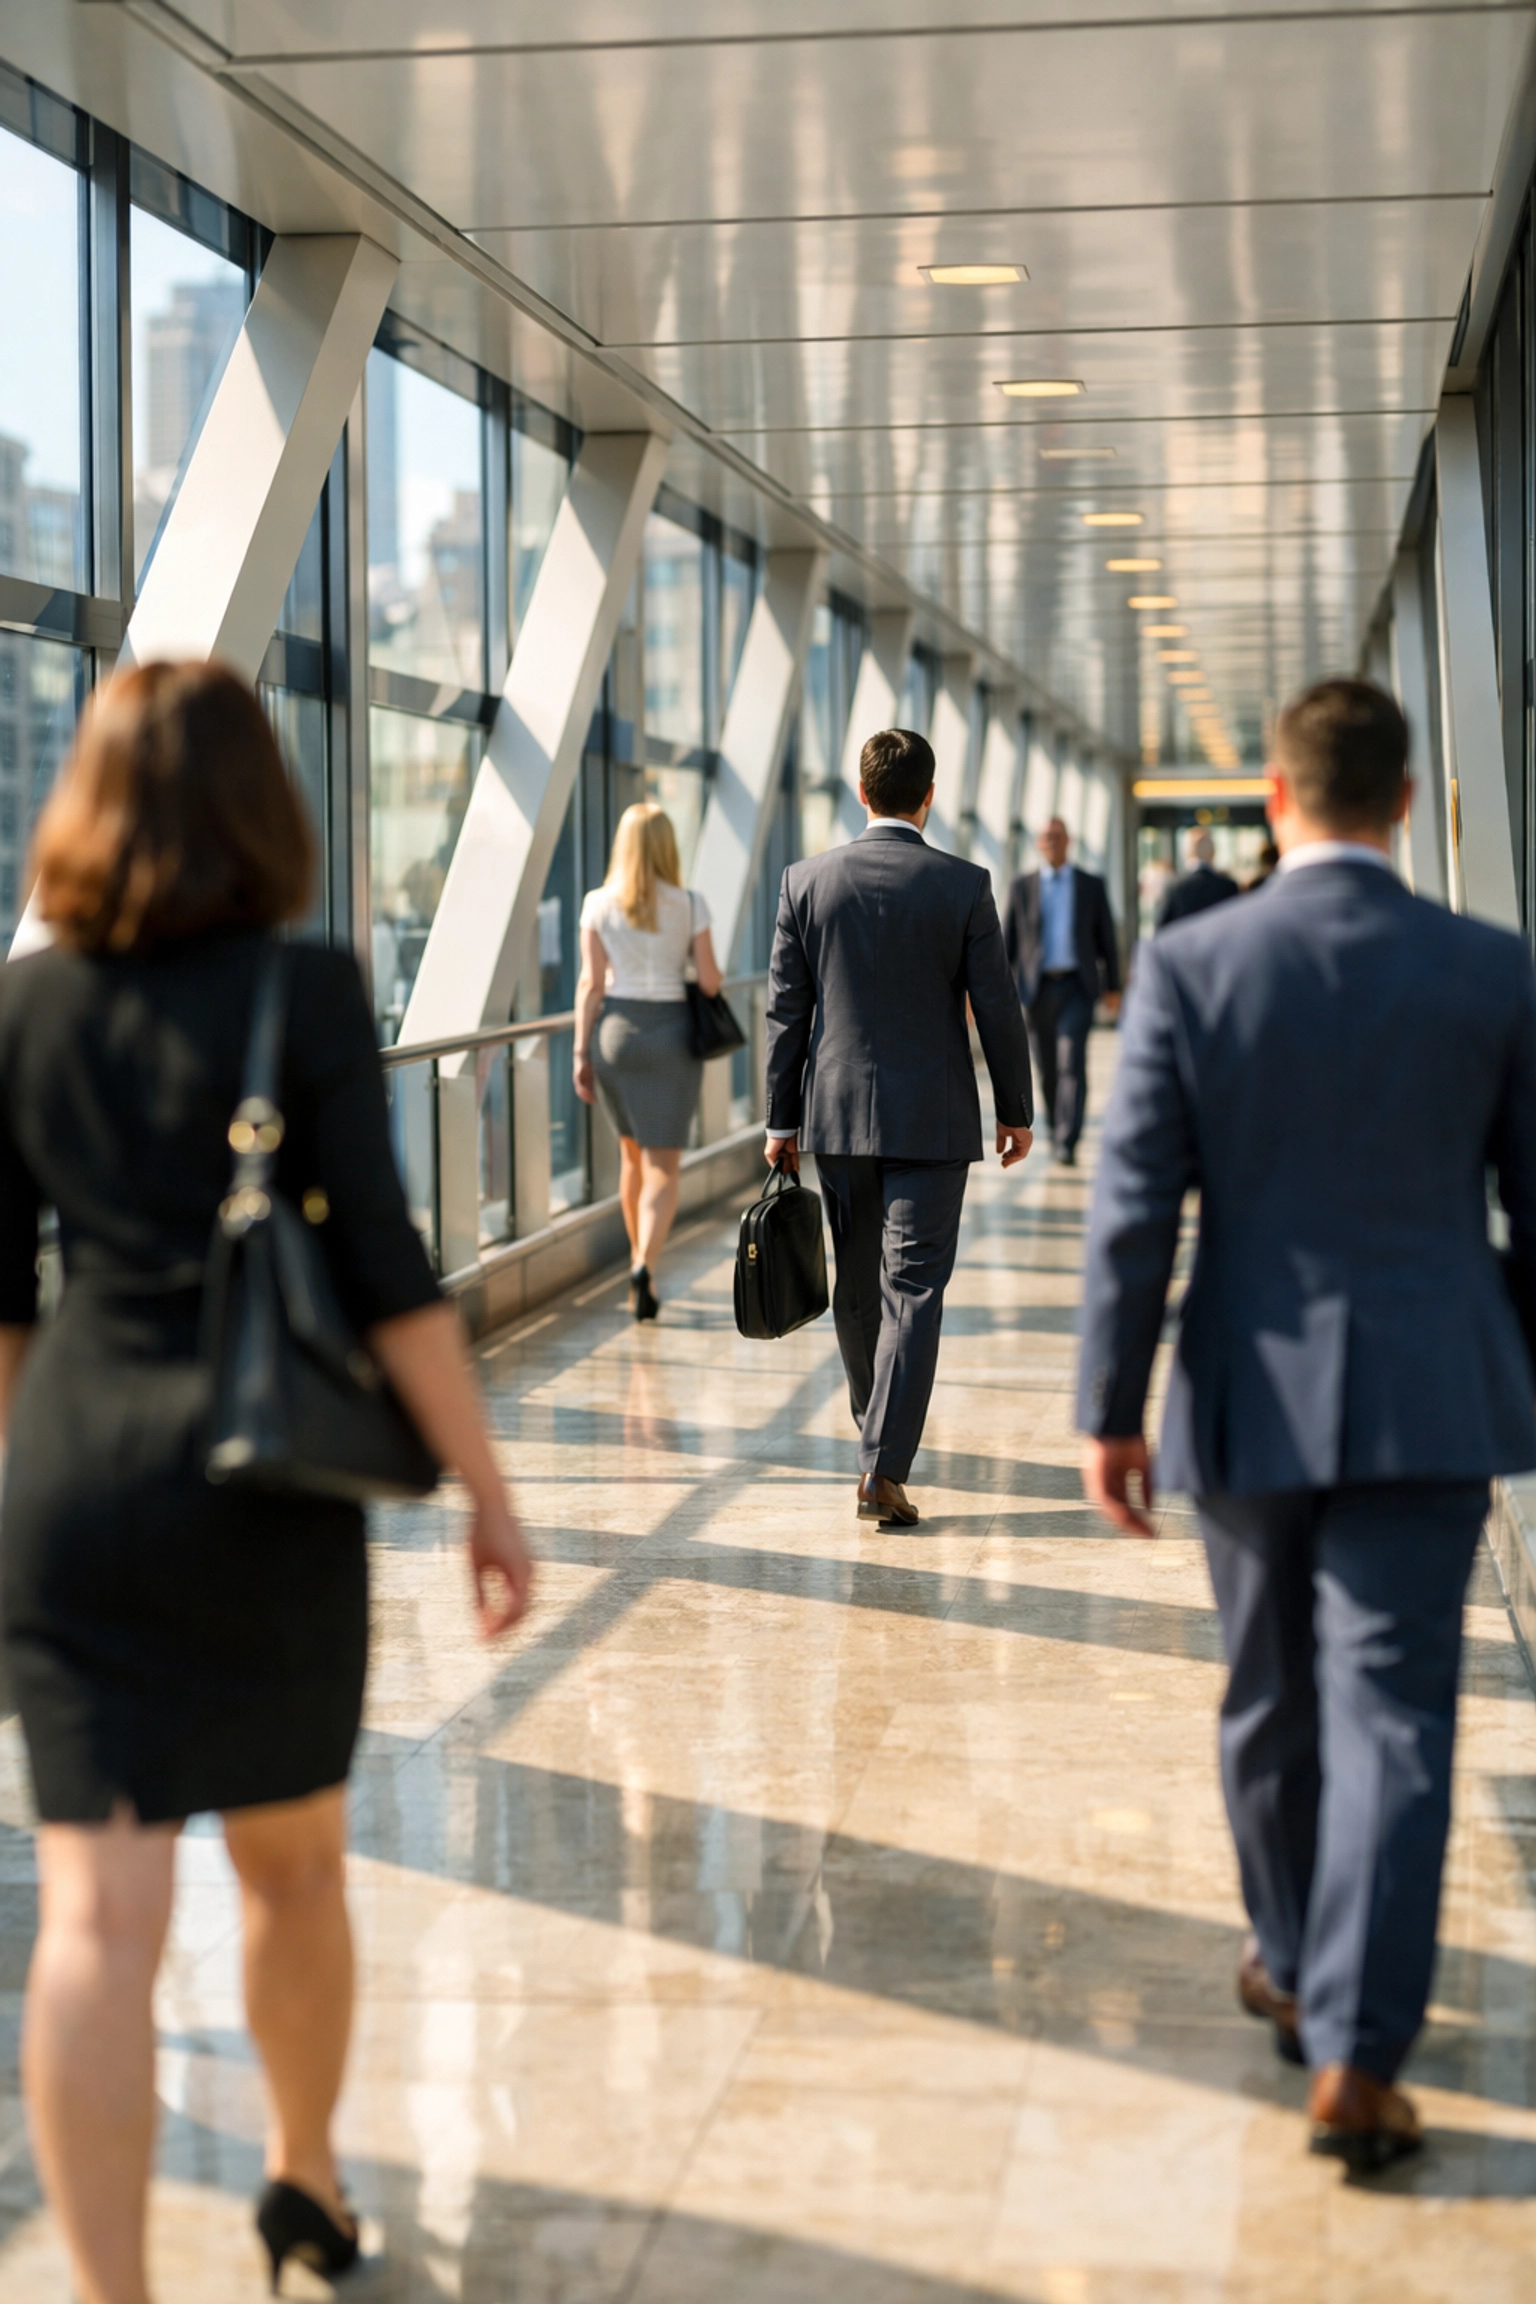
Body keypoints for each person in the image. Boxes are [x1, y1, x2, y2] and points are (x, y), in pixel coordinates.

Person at [0, 661, 534, 2304]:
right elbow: (386, 1268)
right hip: (264, 1488)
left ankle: (109, 2292)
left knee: (96, 1914)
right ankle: (303, 2181)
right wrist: (486, 1489)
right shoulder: (299, 989)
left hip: (75, 1477)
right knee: (291, 1866)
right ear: (260, 801)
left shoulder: (21, 1005)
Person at [1077, 676, 1536, 2172]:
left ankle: (1288, 1957)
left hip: (1244, 1393)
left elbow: (1135, 1206)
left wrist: (1110, 1408)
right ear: (1405, 802)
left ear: (1276, 800)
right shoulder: (1492, 970)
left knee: (1268, 1700)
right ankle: (1354, 2045)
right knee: (1396, 1718)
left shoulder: (1197, 964)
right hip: (1430, 1395)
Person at [764, 728, 1034, 1528]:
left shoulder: (806, 882)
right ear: (929, 796)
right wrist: (1014, 1110)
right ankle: (881, 1462)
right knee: (912, 1290)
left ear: (861, 792)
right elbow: (999, 1010)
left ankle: (873, 1439)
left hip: (837, 1119)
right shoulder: (963, 885)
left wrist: (781, 1119)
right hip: (934, 1117)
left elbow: (787, 1014)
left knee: (856, 1289)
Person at [574, 802, 722, 1320]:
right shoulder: (689, 903)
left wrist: (580, 1052)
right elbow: (708, 981)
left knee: (631, 1157)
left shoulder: (597, 903)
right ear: (667, 846)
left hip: (614, 1034)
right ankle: (644, 1265)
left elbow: (591, 984)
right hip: (672, 1035)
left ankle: (641, 1267)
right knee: (664, 1166)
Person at [1002, 815, 1121, 1166]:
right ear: (1039, 844)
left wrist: (1113, 986)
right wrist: (996, 992)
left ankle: (1069, 1139)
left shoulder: (1090, 884)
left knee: (1073, 1060)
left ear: (1069, 841)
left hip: (1076, 987)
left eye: (1058, 836)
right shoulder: (1022, 886)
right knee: (1047, 1066)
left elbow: (1107, 939)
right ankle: (1056, 1126)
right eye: (1046, 837)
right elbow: (1007, 943)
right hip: (1036, 989)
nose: (1052, 842)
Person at [1154, 827, 1240, 928]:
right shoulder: (1229, 887)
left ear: (1186, 852)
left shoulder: (1174, 887)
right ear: (1213, 851)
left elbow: (1162, 930)